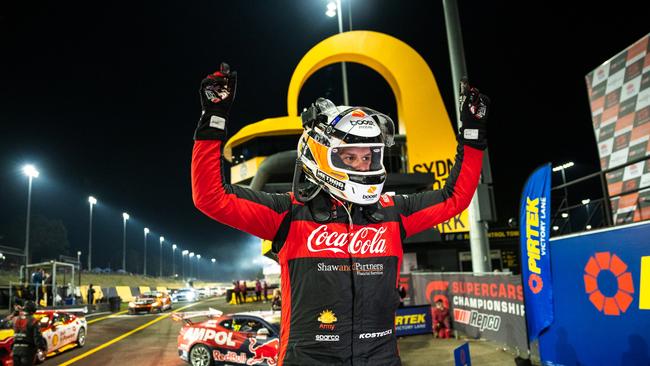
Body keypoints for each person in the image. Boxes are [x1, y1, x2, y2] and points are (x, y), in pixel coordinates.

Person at [191, 63, 488, 365]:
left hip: (381, 359)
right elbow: (211, 197)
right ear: (321, 155)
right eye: (350, 156)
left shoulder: (392, 213)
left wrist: (473, 133)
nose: (362, 165)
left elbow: (455, 197)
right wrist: (214, 117)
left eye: (368, 156)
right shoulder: (289, 213)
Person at [11, 300, 46, 366]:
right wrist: (42, 348)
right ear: (33, 309)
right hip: (27, 351)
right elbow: (37, 337)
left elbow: (6, 323)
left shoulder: (16, 319)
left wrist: (16, 312)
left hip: (15, 350)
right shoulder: (33, 320)